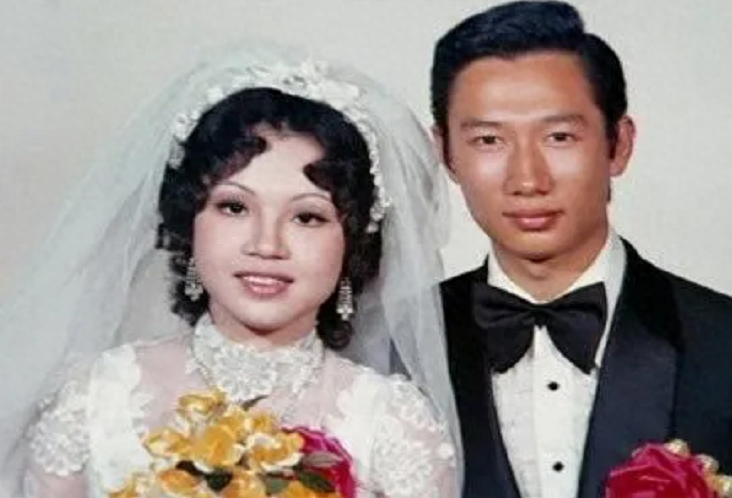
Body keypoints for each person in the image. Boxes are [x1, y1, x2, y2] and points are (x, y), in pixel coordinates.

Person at [0, 41, 460, 498]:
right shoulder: (95, 398)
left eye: (307, 217)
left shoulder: (393, 426)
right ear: (190, 220)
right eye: (234, 207)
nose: (266, 245)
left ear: (352, 241)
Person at [430, 1, 732, 497]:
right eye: (488, 140)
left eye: (559, 136)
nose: (527, 179)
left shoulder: (721, 340)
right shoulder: (395, 349)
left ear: (619, 144)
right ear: (445, 153)